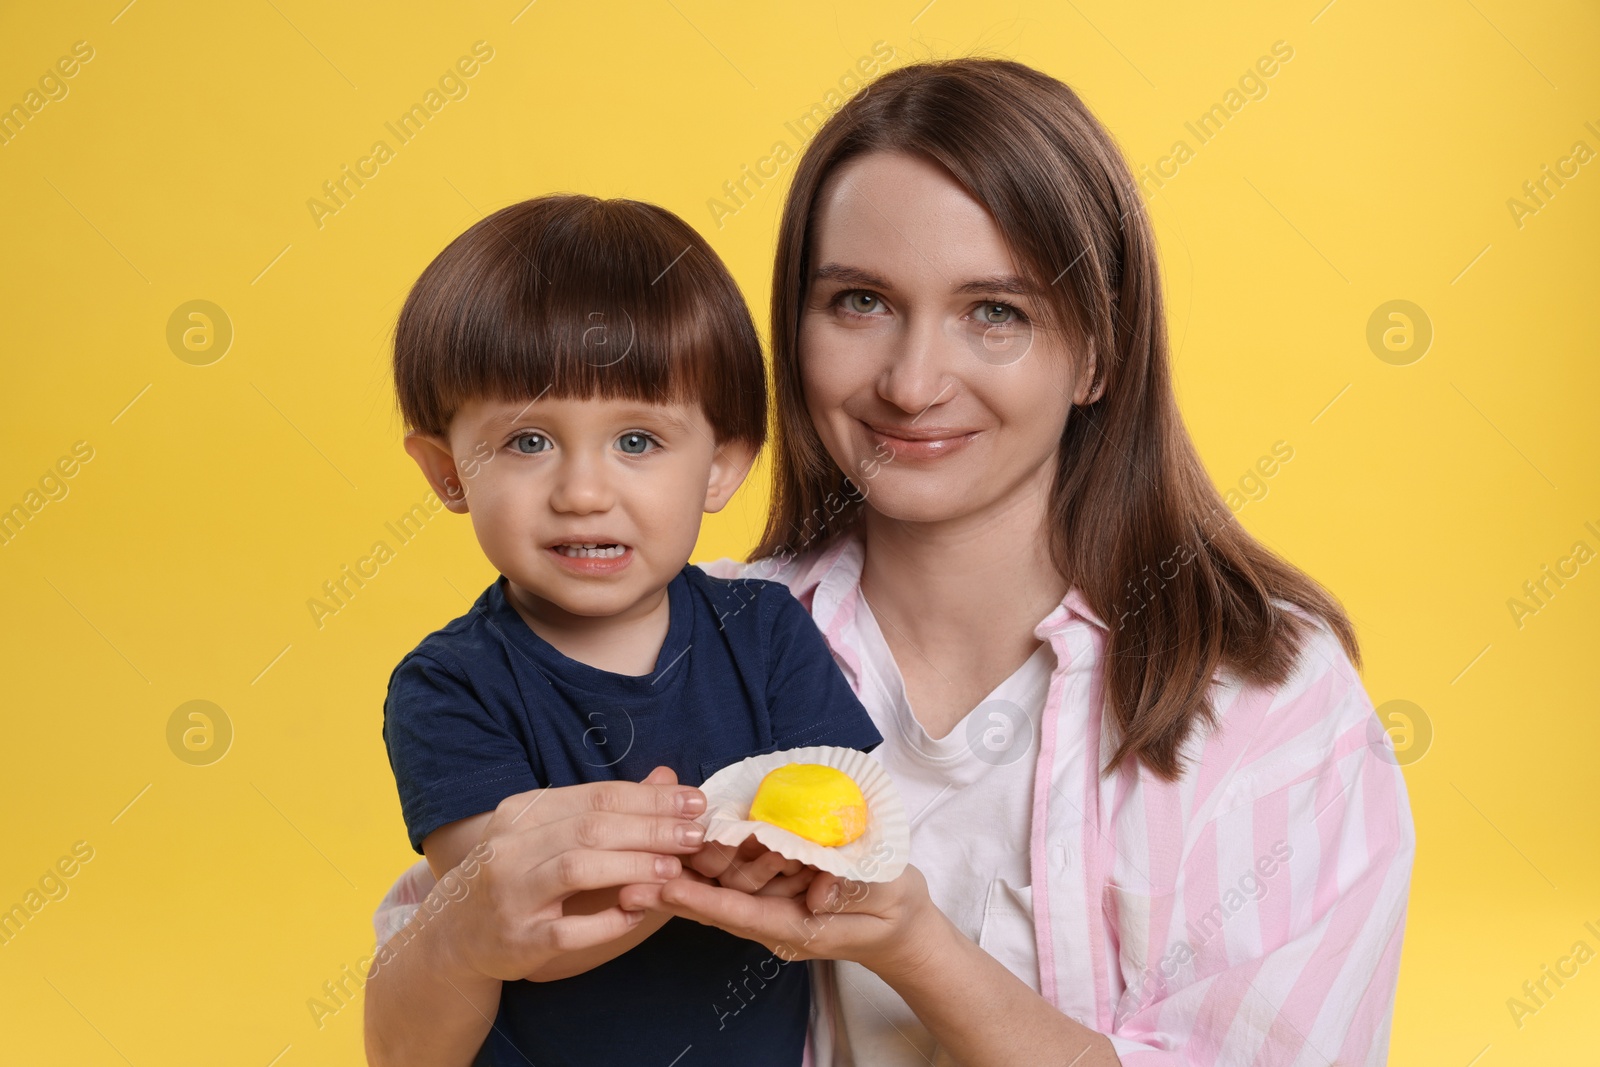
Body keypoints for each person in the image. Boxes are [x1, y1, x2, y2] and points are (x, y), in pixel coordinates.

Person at [370, 58, 1416, 1066]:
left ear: (1097, 350)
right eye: (859, 302)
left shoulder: (1266, 699)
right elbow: (443, 999)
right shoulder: (670, 632)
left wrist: (913, 942)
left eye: (993, 312)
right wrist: (464, 937)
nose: (914, 382)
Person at [371, 193, 883, 1066]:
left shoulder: (767, 638)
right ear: (448, 470)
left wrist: (785, 861)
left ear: (722, 464)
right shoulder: (449, 685)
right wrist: (700, 859)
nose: (583, 490)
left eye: (638, 441)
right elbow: (513, 916)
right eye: (528, 441)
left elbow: (848, 828)